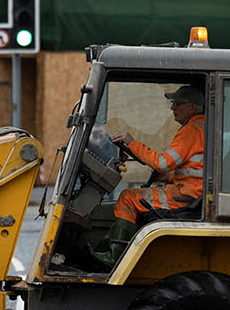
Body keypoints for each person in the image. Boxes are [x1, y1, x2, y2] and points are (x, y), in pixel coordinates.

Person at [88, 84, 207, 269]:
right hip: (191, 192)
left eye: (177, 103)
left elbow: (162, 163)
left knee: (128, 198)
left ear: (192, 107)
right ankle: (108, 248)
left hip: (185, 198)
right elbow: (194, 167)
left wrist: (132, 144)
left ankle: (114, 258)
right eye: (172, 103)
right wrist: (169, 176)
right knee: (137, 197)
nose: (172, 108)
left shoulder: (191, 130)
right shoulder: (201, 126)